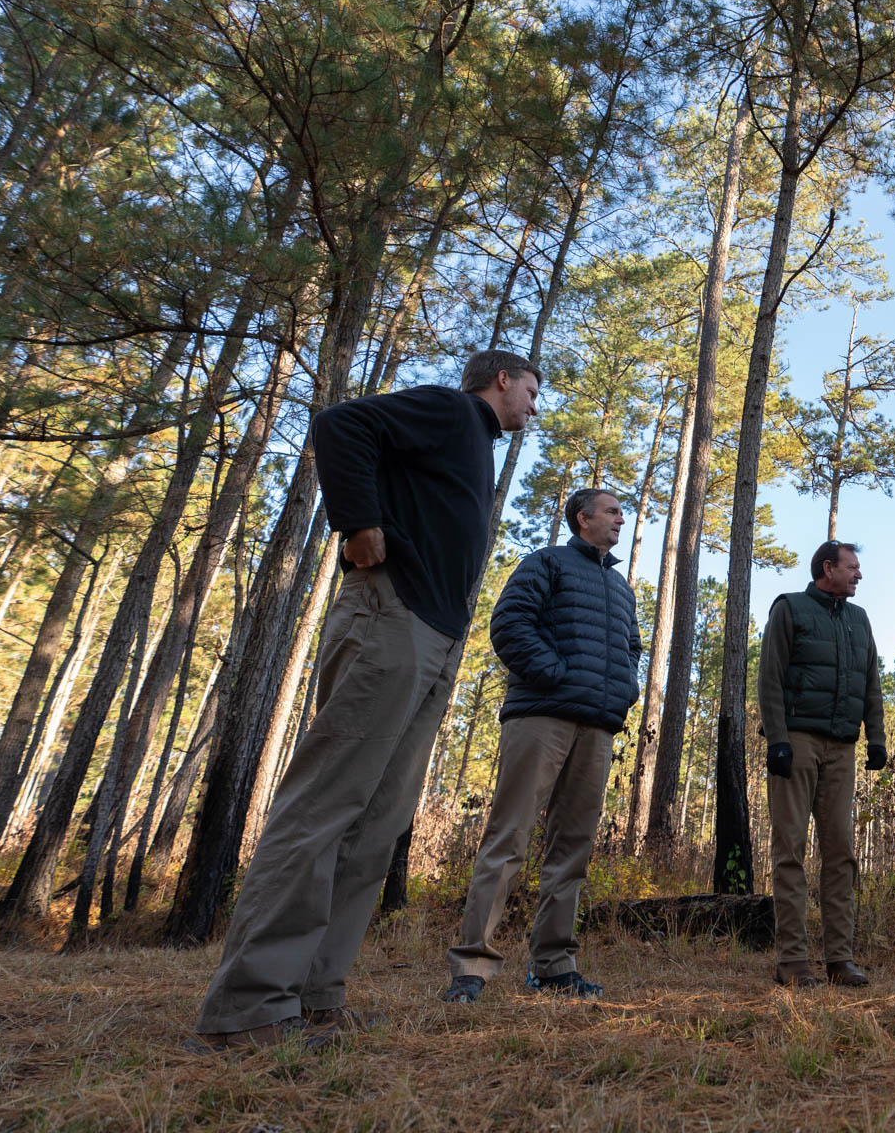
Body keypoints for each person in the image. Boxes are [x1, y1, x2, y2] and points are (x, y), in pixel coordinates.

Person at [191, 349, 540, 1052]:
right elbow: (340, 424)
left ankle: (316, 997)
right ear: (501, 380)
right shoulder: (452, 409)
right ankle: (251, 1007)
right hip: (390, 619)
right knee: (324, 807)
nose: (534, 406)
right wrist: (356, 522)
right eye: (531, 391)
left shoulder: (471, 441)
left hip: (433, 641)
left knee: (376, 825)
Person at [441, 488, 641, 1004]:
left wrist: (624, 690)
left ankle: (553, 966)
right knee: (509, 837)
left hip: (597, 727)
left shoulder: (620, 587)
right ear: (583, 517)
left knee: (572, 849)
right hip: (541, 717)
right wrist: (553, 673)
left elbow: (632, 648)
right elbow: (509, 624)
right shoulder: (546, 562)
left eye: (622, 512)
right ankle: (472, 967)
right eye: (613, 511)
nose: (622, 519)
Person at [758, 540, 887, 988]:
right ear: (827, 568)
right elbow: (769, 677)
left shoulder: (859, 619)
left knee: (841, 854)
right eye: (853, 567)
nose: (859, 575)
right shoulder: (790, 609)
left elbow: (871, 682)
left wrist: (877, 738)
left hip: (842, 748)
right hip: (796, 742)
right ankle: (792, 961)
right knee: (789, 851)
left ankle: (840, 959)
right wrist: (777, 740)